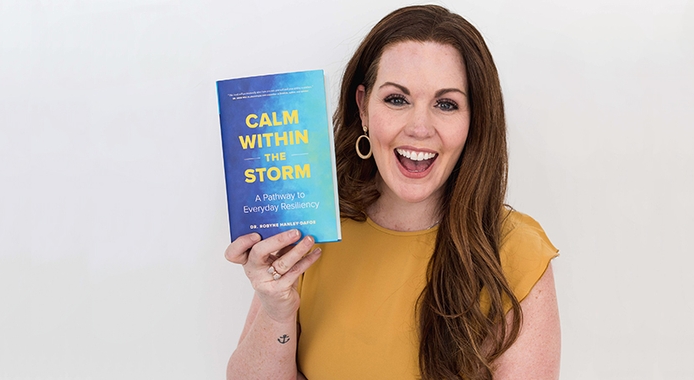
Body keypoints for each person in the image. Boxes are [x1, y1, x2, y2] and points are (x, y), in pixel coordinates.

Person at [224, 5, 560, 379]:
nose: (419, 127)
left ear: (473, 120)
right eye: (397, 99)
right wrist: (276, 311)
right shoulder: (309, 226)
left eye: (446, 104)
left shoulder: (517, 250)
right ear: (363, 107)